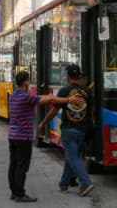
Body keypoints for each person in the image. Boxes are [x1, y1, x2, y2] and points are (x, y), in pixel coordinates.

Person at [8, 71, 81, 202]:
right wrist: (68, 99)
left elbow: (43, 97)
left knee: (13, 164)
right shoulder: (26, 97)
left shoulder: (13, 95)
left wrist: (48, 95)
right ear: (26, 82)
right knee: (22, 166)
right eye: (29, 80)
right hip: (23, 137)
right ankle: (20, 193)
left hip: (12, 136)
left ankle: (14, 192)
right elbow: (50, 100)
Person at [38, 65, 94, 196]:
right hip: (82, 130)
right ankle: (63, 184)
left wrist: (42, 123)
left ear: (68, 76)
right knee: (71, 156)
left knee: (72, 156)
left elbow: (54, 110)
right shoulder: (87, 92)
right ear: (79, 76)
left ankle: (85, 182)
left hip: (68, 129)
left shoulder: (64, 91)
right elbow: (91, 111)